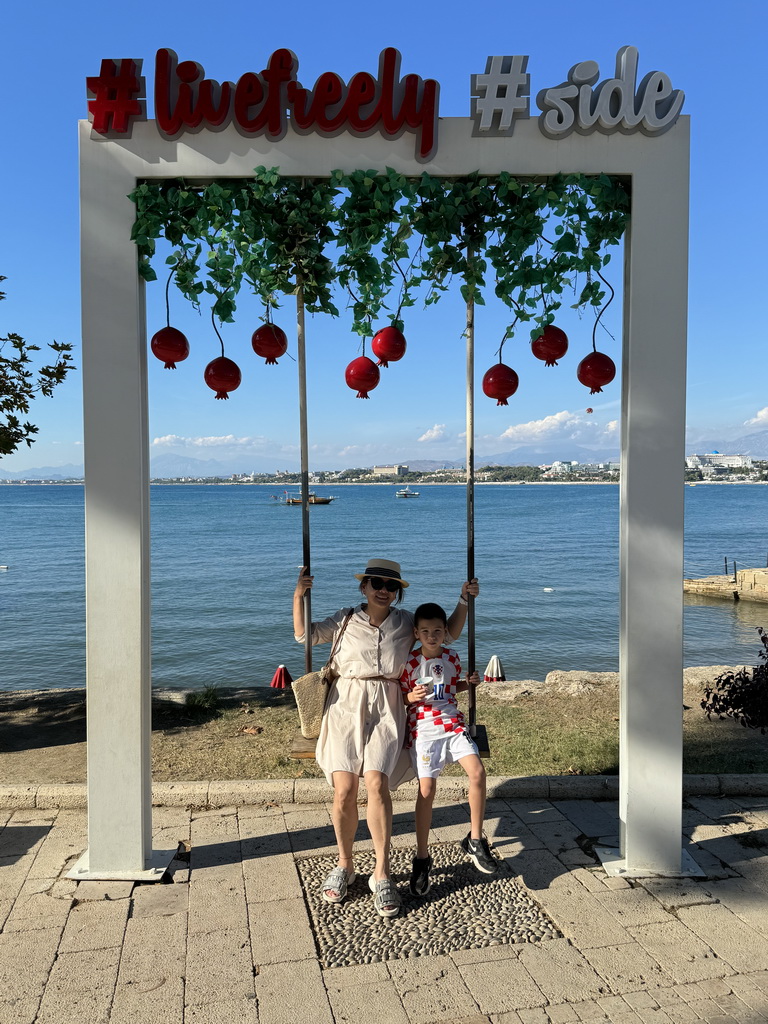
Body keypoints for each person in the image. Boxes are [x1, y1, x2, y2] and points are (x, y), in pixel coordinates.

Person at [293, 558, 479, 918]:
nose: (383, 589)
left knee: (376, 783)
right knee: (344, 788)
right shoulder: (345, 619)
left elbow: (448, 633)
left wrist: (463, 601)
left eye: (391, 586)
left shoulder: (407, 622)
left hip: (389, 704)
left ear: (397, 593)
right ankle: (344, 864)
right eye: (376, 582)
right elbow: (305, 635)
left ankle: (382, 872)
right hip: (346, 703)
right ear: (363, 587)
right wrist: (299, 594)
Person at [400, 601, 497, 896]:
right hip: (425, 730)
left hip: (453, 725)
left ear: (445, 633)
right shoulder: (410, 662)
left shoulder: (453, 657)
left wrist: (470, 683)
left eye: (438, 631)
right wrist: (410, 697)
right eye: (426, 631)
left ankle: (476, 839)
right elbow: (401, 699)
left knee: (478, 773)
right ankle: (421, 856)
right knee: (427, 790)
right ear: (417, 632)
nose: (432, 636)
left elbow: (454, 688)